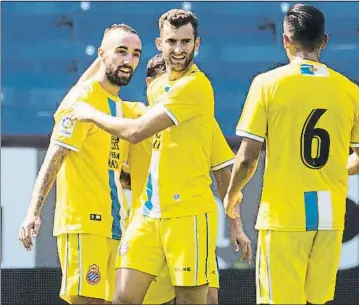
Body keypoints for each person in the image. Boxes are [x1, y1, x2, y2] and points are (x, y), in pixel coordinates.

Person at [71, 9, 245, 304]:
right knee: (123, 298)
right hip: (149, 214)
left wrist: (88, 113)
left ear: (197, 44)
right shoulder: (157, 89)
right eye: (171, 41)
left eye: (185, 42)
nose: (178, 50)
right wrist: (102, 61)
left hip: (187, 215)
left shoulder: (196, 87)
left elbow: (138, 132)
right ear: (159, 43)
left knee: (196, 299)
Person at [224, 4, 359, 305]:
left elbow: (247, 157)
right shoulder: (348, 90)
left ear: (285, 40)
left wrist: (231, 194)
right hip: (329, 218)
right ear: (324, 41)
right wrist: (332, 169)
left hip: (284, 217)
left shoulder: (267, 84)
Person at [18, 24, 142, 304]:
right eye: (121, 51)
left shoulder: (117, 106)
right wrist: (33, 212)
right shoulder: (82, 100)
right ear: (102, 54)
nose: (128, 60)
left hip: (114, 225)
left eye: (135, 54)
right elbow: (55, 154)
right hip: (85, 224)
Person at [124, 53, 252, 304]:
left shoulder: (199, 119)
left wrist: (235, 224)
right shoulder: (133, 116)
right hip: (149, 224)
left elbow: (223, 173)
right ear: (150, 84)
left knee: (208, 299)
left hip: (189, 223)